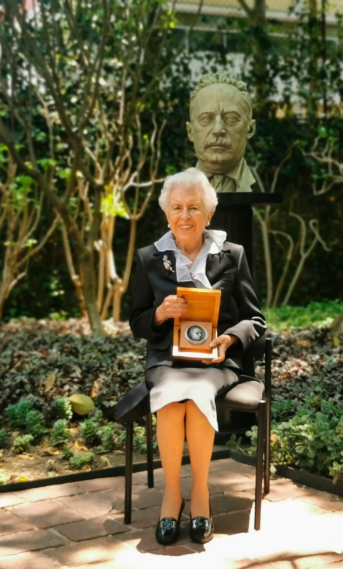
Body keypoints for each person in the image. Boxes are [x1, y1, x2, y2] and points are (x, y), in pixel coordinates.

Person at [126, 167, 266, 545]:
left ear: (209, 213)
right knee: (172, 400)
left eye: (193, 207)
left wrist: (230, 339)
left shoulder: (232, 255)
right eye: (177, 208)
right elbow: (136, 320)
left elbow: (255, 319)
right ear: (166, 213)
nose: (184, 216)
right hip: (167, 359)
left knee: (198, 393)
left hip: (215, 361)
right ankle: (173, 495)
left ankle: (200, 494)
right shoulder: (148, 259)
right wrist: (158, 314)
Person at [188, 74, 257, 193]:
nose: (218, 130)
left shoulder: (261, 187)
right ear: (190, 131)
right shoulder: (177, 190)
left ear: (250, 129)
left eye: (231, 118)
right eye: (205, 119)